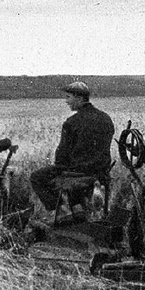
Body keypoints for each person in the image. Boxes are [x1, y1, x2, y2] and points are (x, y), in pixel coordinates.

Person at [30, 81, 115, 221]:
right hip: (101, 171)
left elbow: (62, 154)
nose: (66, 101)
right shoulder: (106, 118)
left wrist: (59, 166)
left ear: (79, 98)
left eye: (68, 97)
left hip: (78, 171)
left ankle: (62, 211)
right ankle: (77, 208)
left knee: (36, 177)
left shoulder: (72, 122)